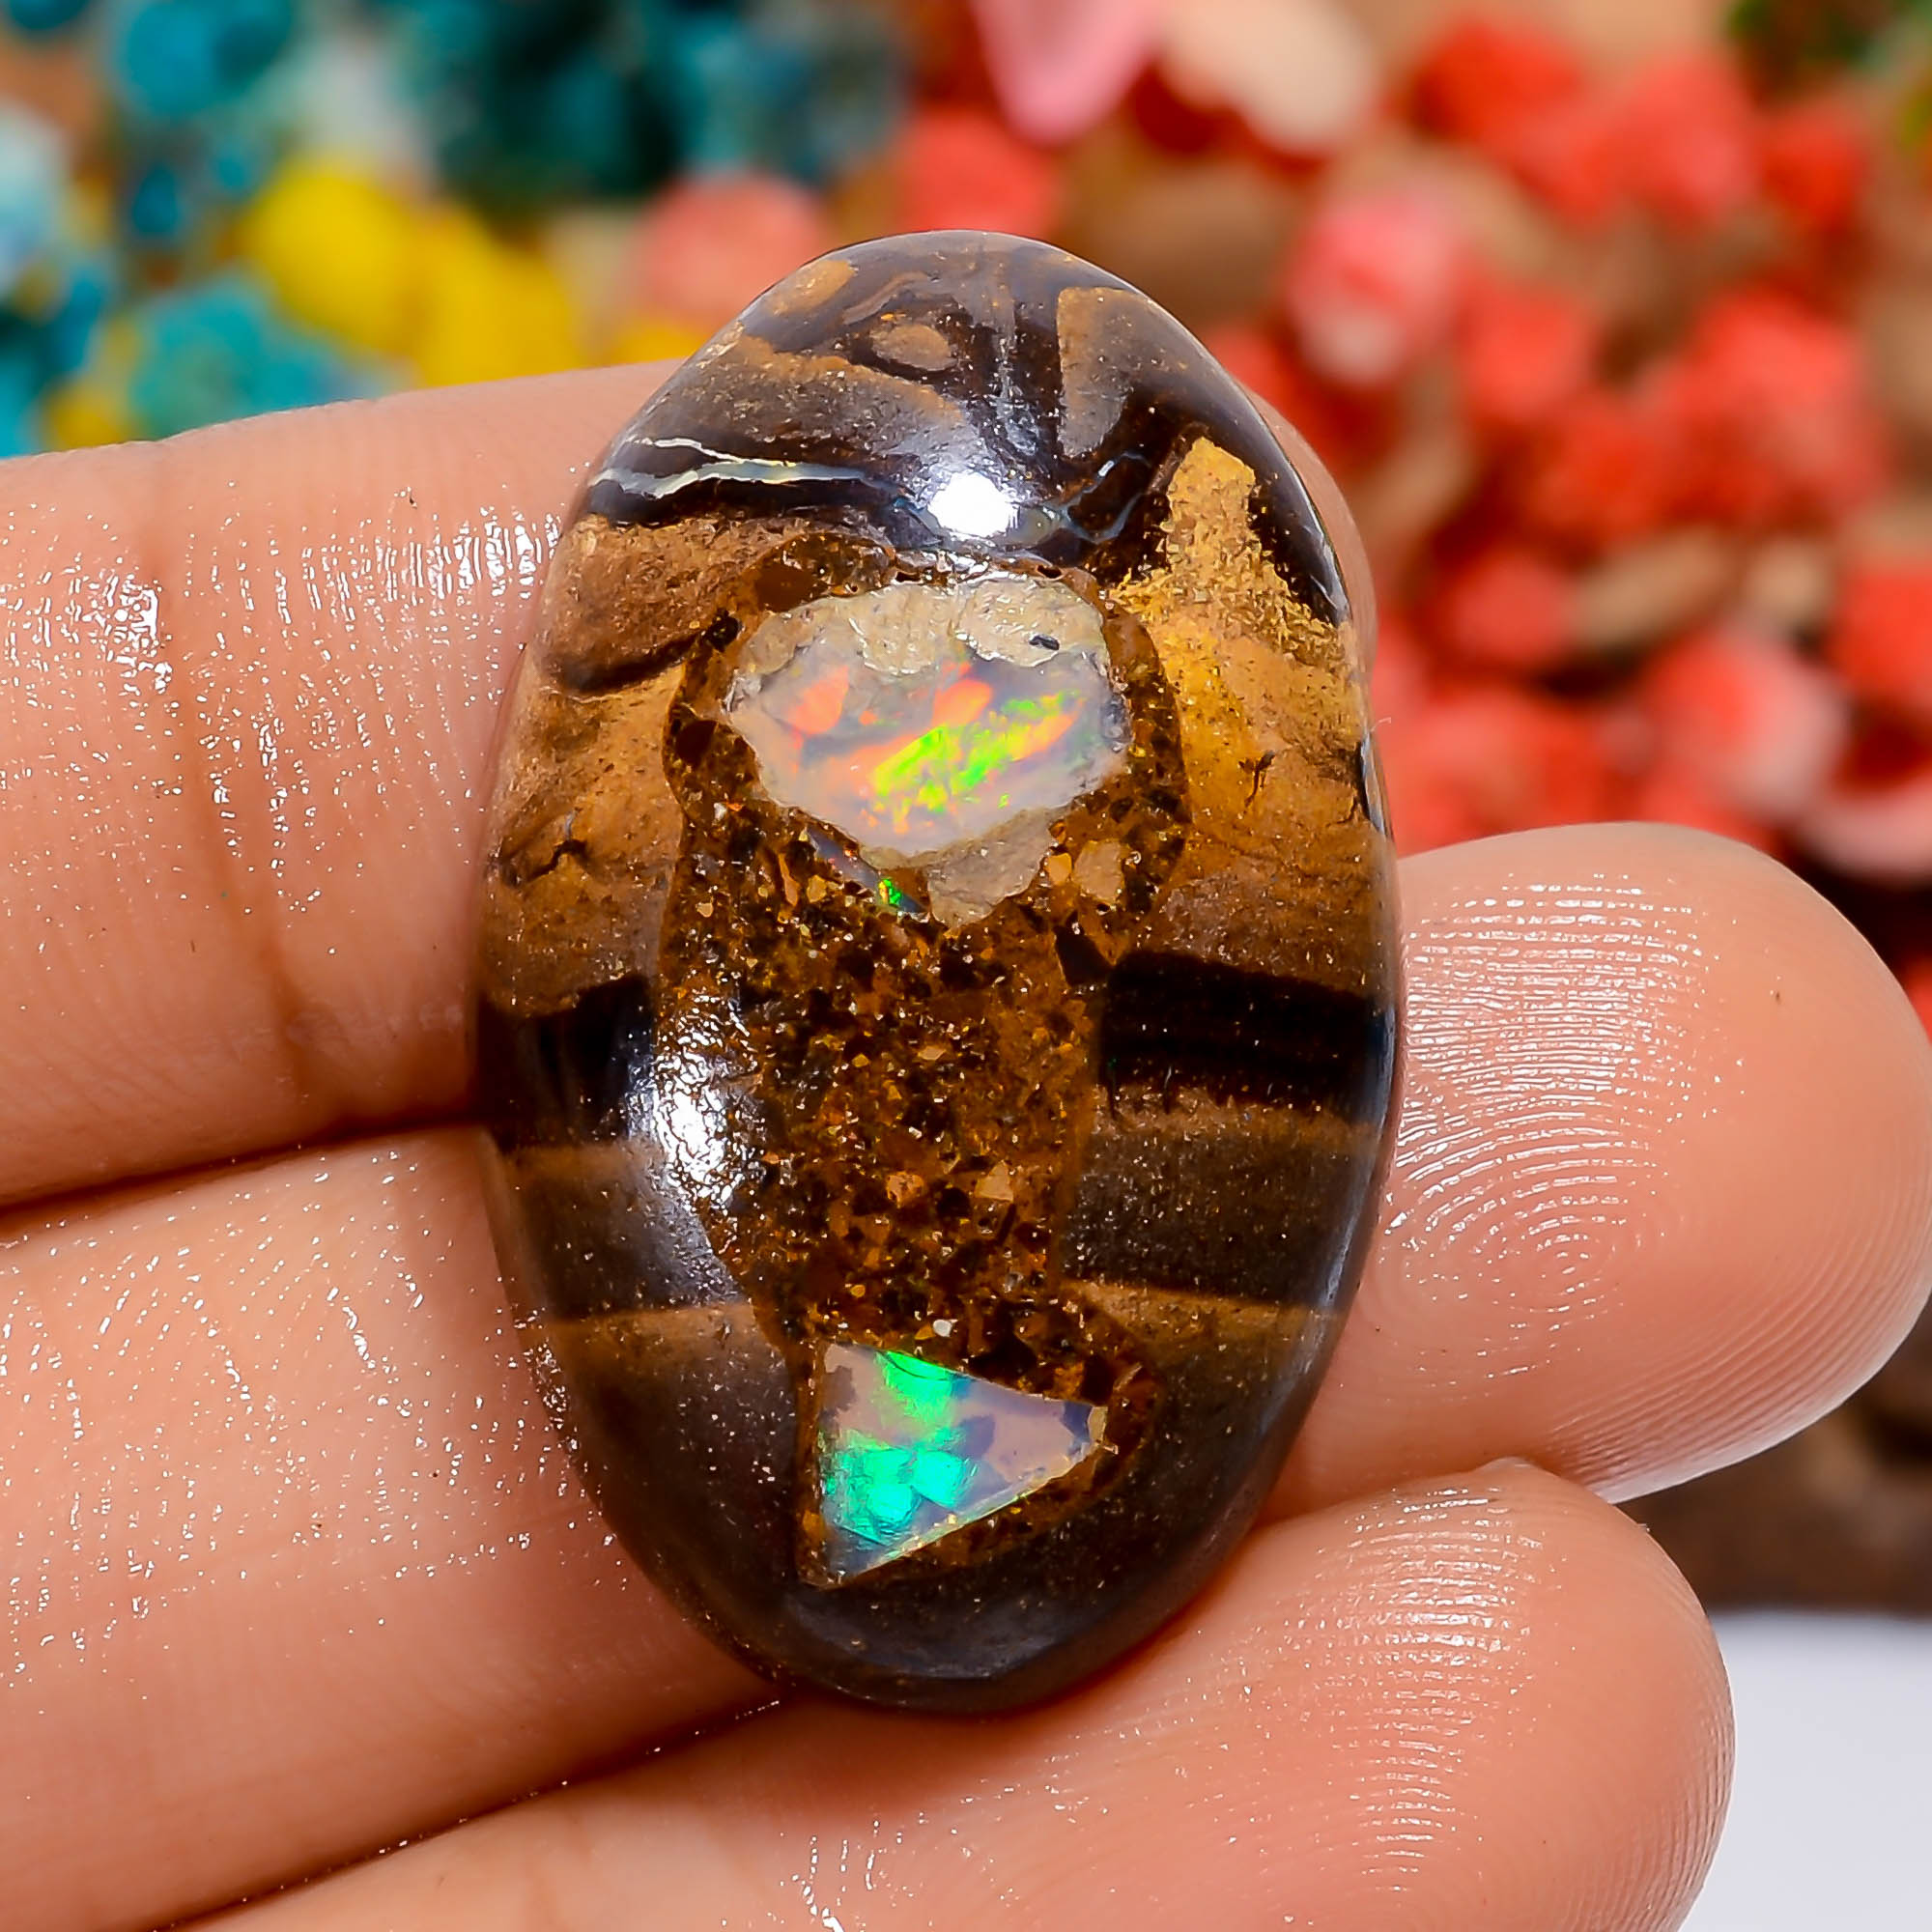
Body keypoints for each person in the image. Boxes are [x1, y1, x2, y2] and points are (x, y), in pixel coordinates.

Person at [2, 367, 1928, 1932]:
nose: (749, 957)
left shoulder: (1010, 1433)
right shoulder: (806, 1405)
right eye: (739, 862)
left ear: (1078, 937)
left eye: (857, 894)